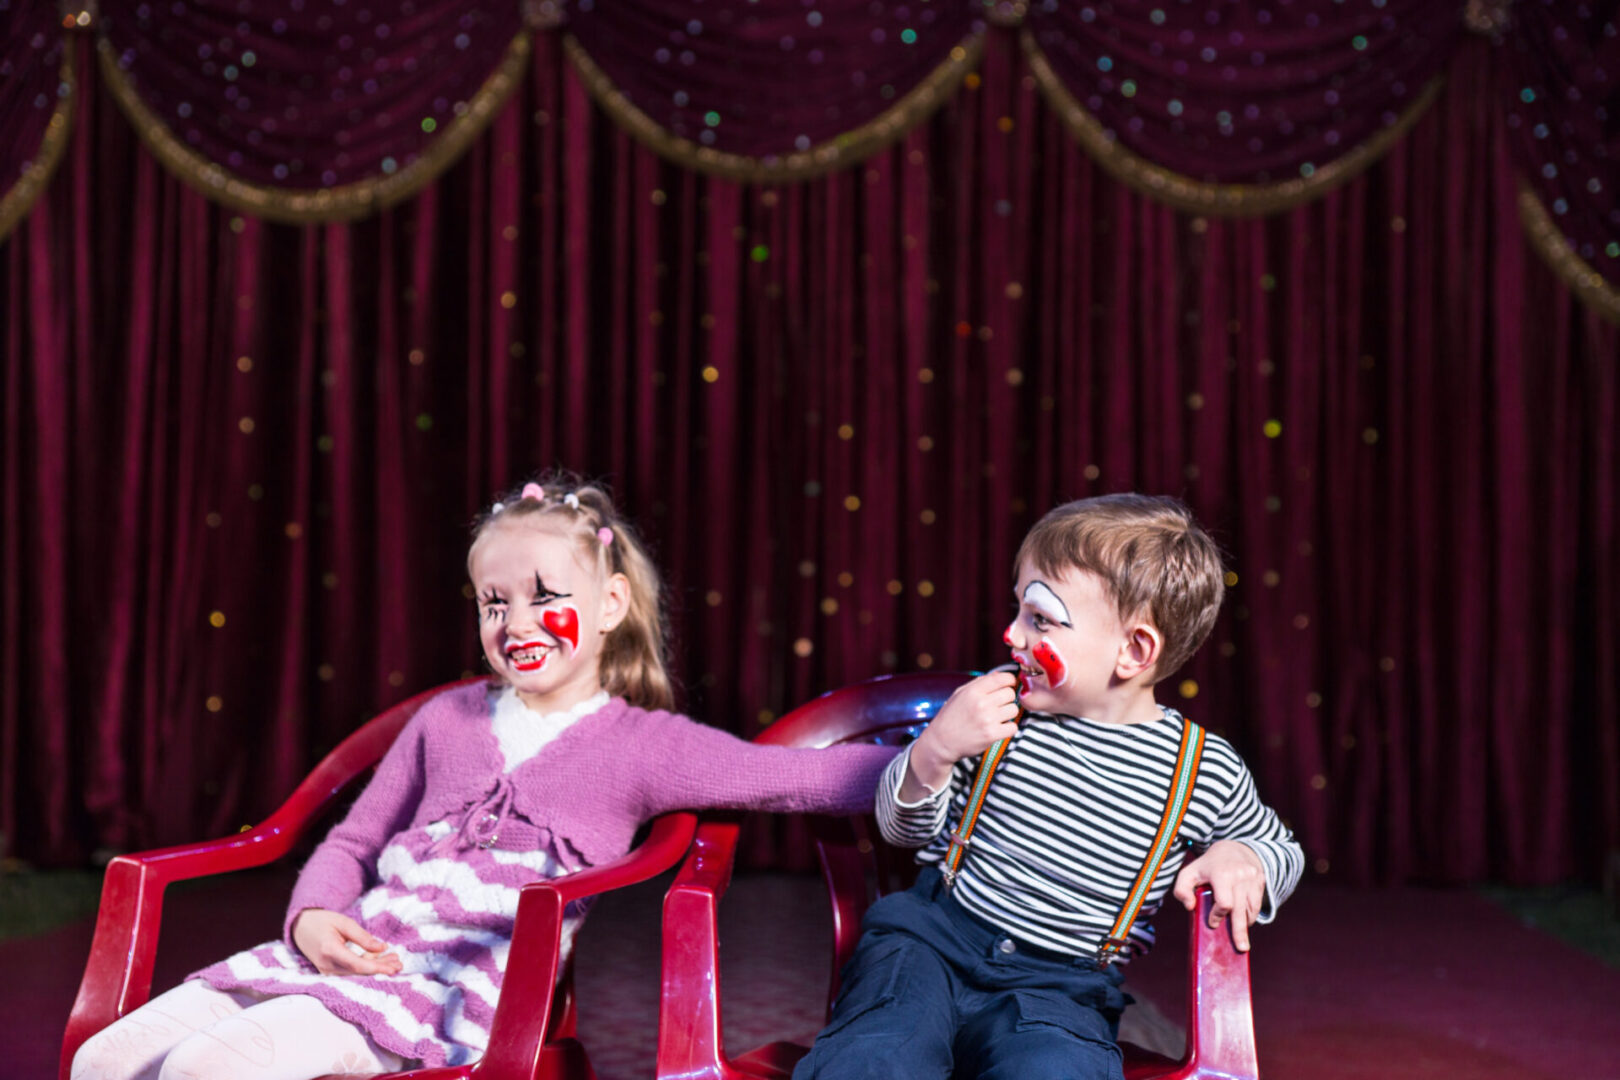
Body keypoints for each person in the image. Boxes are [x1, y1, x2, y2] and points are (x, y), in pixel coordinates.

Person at [73, 473, 900, 1080]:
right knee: (107, 1064)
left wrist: (930, 760)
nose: (517, 624)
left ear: (609, 605)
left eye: (546, 598)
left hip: (449, 991)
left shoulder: (643, 746)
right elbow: (355, 839)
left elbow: (789, 778)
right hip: (335, 960)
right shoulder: (445, 720)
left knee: (207, 1070)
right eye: (493, 603)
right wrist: (313, 919)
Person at [794, 493, 1304, 1080]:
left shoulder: (1203, 770)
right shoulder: (998, 712)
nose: (1011, 634)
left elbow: (1283, 849)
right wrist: (935, 750)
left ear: (1134, 650)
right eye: (1017, 610)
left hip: (1062, 988)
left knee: (1056, 1069)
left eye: (1040, 618)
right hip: (928, 945)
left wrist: (1245, 855)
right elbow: (902, 830)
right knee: (876, 1054)